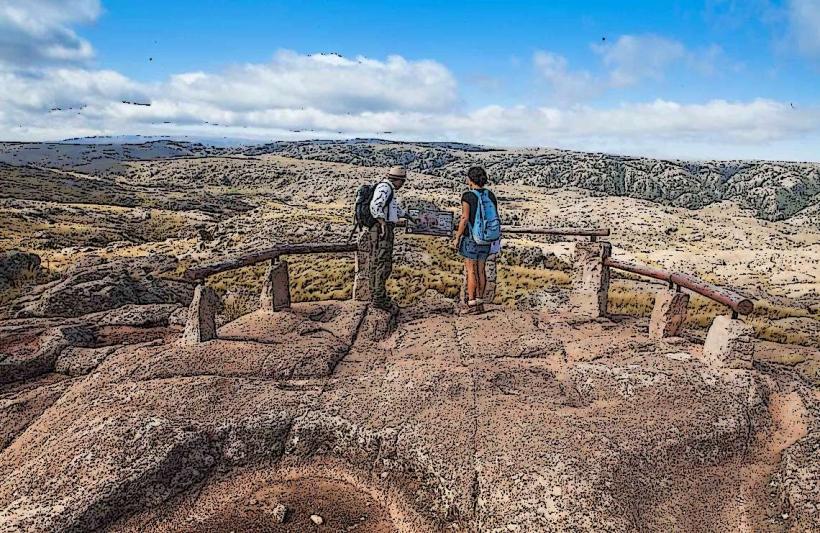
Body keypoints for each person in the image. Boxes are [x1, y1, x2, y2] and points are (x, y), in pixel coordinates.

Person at [452, 166, 499, 314]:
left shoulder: (468, 196)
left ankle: (471, 303)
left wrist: (457, 237)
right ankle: (480, 301)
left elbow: (465, 218)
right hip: (486, 238)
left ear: (470, 179)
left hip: (471, 238)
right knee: (481, 270)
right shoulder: (490, 195)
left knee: (470, 271)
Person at [368, 165, 410, 310]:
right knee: (382, 262)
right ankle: (379, 298)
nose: (402, 185)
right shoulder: (386, 188)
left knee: (377, 260)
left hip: (381, 228)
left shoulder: (387, 188)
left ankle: (376, 294)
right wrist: (382, 223)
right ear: (398, 180)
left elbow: (393, 208)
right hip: (382, 229)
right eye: (402, 182)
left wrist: (406, 214)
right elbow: (375, 205)